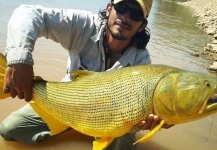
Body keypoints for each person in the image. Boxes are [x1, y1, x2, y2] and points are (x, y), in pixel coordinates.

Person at [0, 0, 172, 149]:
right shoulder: (82, 26)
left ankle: (89, 131)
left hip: (111, 119)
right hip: (65, 105)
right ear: (109, 8)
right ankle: (74, 127)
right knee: (9, 130)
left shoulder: (142, 61)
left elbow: (136, 115)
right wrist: (19, 60)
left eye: (135, 14)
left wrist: (148, 122)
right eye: (121, 7)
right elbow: (27, 13)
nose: (126, 17)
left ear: (142, 25)